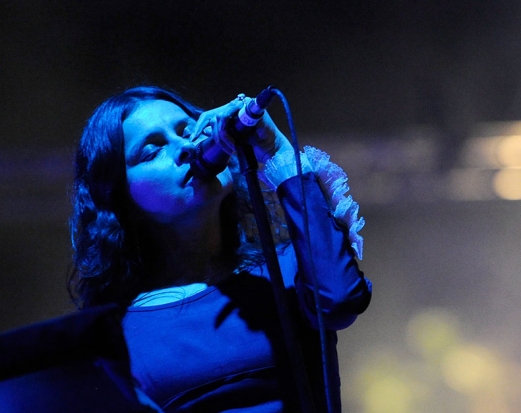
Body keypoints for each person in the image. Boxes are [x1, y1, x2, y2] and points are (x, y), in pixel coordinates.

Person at [68, 86, 371, 412]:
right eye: (152, 151)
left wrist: (275, 147)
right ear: (118, 197)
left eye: (188, 130)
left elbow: (339, 303)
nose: (185, 147)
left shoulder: (286, 270)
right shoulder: (119, 335)